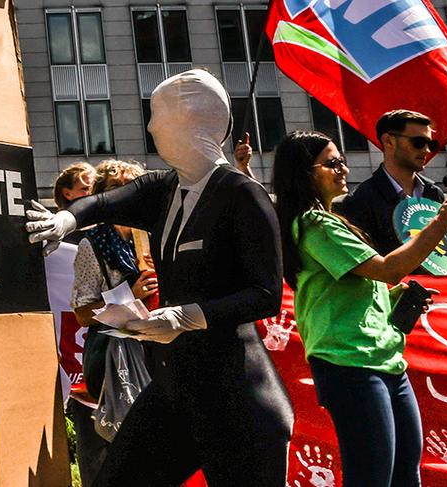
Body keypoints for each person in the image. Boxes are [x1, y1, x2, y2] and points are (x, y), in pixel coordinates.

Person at [27, 69, 292, 487]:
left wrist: (184, 317)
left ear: (190, 121)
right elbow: (103, 203)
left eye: (156, 115)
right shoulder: (164, 189)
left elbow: (264, 295)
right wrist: (64, 219)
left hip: (236, 398)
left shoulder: (242, 195)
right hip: (173, 391)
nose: (150, 126)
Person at [273, 130, 447, 487]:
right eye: (331, 163)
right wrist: (441, 222)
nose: (343, 169)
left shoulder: (328, 221)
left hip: (384, 361)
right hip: (350, 364)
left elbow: (366, 286)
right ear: (304, 173)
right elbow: (387, 268)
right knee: (374, 479)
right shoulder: (316, 224)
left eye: (341, 160)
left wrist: (395, 298)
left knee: (406, 476)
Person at [68, 160, 159, 483]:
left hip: (158, 352)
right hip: (117, 358)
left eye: (133, 188)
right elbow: (81, 313)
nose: (128, 196)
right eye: (117, 189)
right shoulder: (92, 246)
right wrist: (128, 293)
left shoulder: (154, 237)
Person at [337, 110, 445, 255]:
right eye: (418, 143)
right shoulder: (360, 200)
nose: (427, 150)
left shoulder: (434, 193)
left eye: (431, 144)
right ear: (389, 141)